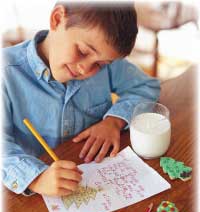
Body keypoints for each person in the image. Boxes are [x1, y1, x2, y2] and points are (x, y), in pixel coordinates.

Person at [2, 1, 160, 197]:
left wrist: (114, 121)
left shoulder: (106, 62)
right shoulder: (5, 73)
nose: (86, 69)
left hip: (94, 173)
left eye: (101, 64)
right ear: (58, 19)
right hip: (35, 196)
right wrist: (36, 178)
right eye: (83, 52)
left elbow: (146, 86)